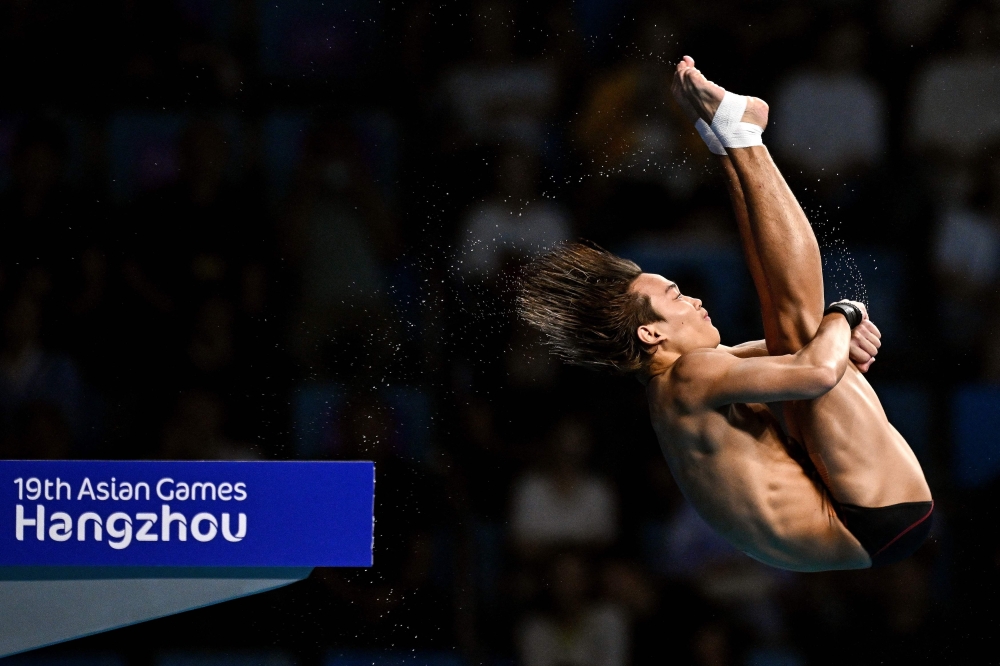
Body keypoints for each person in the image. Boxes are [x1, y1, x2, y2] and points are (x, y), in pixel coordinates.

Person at [517, 57, 932, 572]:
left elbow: (789, 356)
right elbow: (816, 370)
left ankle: (728, 140)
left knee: (792, 333)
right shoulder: (690, 375)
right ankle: (738, 137)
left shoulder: (674, 388)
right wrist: (844, 314)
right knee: (800, 326)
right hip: (872, 516)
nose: (691, 299)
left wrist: (835, 336)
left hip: (867, 523)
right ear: (650, 332)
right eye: (673, 296)